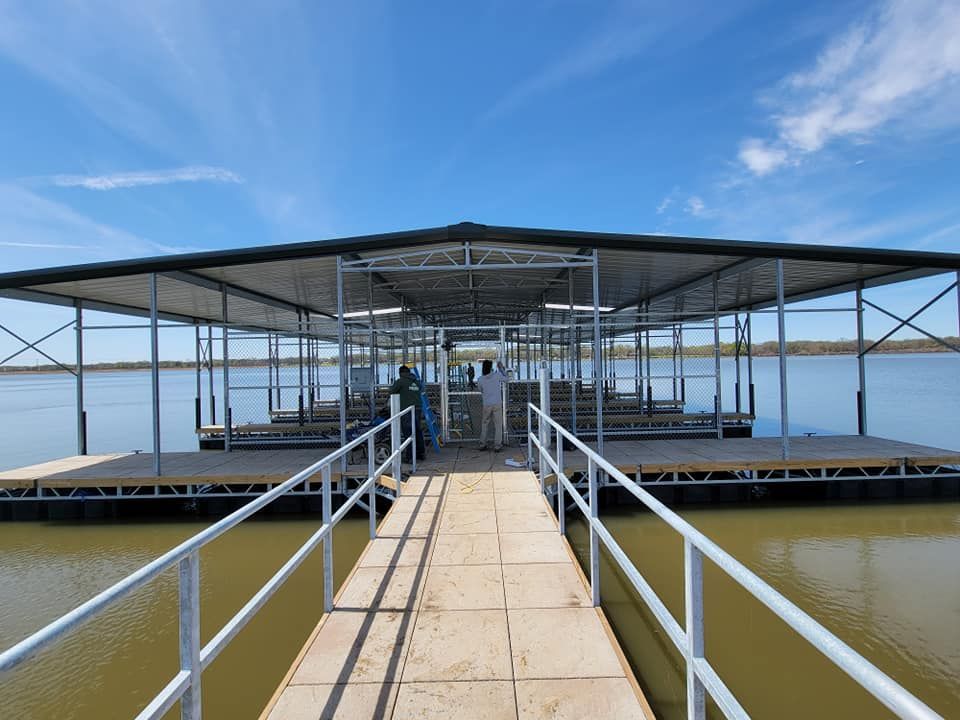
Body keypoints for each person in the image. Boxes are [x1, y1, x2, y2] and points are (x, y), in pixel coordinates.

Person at [388, 365, 425, 462]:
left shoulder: (401, 381)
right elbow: (421, 389)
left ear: (400, 373)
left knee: (408, 433)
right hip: (417, 408)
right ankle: (421, 453)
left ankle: (410, 457)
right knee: (417, 431)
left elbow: (391, 391)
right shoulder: (416, 381)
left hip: (406, 410)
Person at [477, 359, 509, 451]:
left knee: (485, 424)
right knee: (498, 425)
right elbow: (507, 379)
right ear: (491, 367)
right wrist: (501, 369)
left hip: (486, 404)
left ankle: (482, 444)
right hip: (497, 403)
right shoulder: (497, 375)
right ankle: (497, 446)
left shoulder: (480, 379)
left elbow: (481, 390)